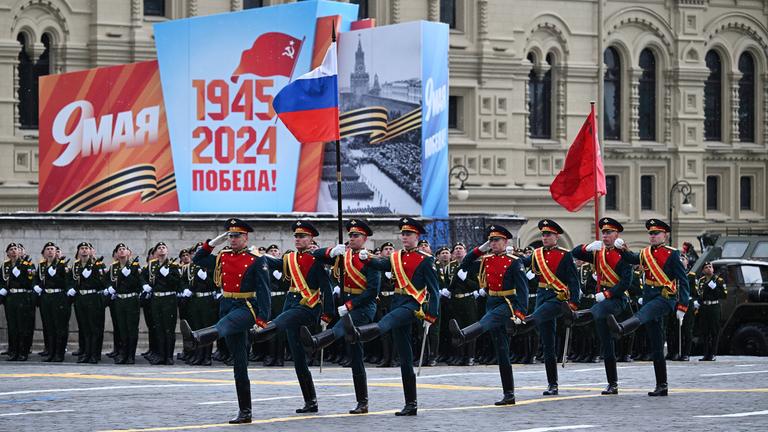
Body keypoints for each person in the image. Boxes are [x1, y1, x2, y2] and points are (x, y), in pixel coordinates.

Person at [342, 217, 440, 416]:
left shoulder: (426, 259)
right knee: (404, 357)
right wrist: (366, 258)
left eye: (409, 234)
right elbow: (381, 265)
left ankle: (358, 333)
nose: (405, 237)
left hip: (412, 305)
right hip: (397, 302)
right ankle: (411, 404)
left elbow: (435, 291)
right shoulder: (396, 257)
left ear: (417, 236)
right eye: (403, 234)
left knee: (385, 322)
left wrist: (432, 315)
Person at [180, 218, 271, 424]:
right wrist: (214, 242)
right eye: (230, 235)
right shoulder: (223, 255)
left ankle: (197, 338)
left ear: (245, 237)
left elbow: (265, 290)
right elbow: (199, 259)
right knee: (239, 364)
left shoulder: (256, 259)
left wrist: (263, 319)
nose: (232, 239)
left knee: (225, 325)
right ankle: (245, 411)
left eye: (236, 235)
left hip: (246, 306)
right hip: (227, 304)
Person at [249, 220, 334, 414]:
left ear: (311, 238)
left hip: (307, 307)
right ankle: (311, 402)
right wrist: (256, 255)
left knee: (282, 320)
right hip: (291, 303)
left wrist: (328, 314)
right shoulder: (290, 258)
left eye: (302, 236)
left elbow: (327, 288)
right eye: (296, 236)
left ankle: (256, 335)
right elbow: (273, 262)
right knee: (298, 359)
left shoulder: (317, 259)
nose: (298, 239)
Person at [300, 218, 381, 414]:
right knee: (355, 355)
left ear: (365, 238)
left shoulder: (369, 259)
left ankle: (316, 341)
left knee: (342, 330)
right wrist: (331, 251)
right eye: (350, 235)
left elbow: (372, 291)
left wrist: (351, 304)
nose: (352, 238)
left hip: (363, 307)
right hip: (346, 306)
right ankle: (362, 402)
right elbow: (315, 254)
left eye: (356, 235)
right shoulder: (342, 255)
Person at [607, 219, 691, 397]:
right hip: (649, 297)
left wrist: (683, 305)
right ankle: (662, 385)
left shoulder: (673, 254)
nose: (652, 236)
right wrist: (621, 248)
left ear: (665, 235)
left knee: (643, 314)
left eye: (656, 233)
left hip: (664, 298)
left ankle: (621, 328)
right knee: (657, 345)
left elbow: (683, 281)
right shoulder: (645, 253)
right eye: (651, 234)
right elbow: (631, 259)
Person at [449, 224, 528, 405]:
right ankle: (509, 394)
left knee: (486, 321)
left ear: (505, 241)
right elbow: (465, 263)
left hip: (507, 304)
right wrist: (480, 249)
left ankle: (464, 335)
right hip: (491, 301)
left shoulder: (514, 261)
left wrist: (520, 313)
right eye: (491, 240)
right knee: (502, 352)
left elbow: (522, 290)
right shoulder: (487, 259)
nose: (493, 243)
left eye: (496, 240)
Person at [511, 219, 580, 396]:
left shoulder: (565, 255)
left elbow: (574, 281)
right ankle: (553, 384)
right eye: (543, 234)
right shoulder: (537, 254)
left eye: (548, 234)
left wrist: (573, 304)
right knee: (547, 343)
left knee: (538, 315)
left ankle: (520, 324)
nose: (545, 237)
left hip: (557, 298)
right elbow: (522, 264)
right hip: (542, 296)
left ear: (556, 236)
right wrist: (512, 260)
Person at [568, 218, 633, 394]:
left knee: (601, 310)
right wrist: (587, 247)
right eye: (603, 232)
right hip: (600, 302)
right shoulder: (598, 252)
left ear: (616, 235)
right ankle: (612, 383)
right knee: (606, 343)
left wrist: (607, 294)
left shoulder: (623, 254)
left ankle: (579, 317)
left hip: (617, 299)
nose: (605, 236)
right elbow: (574, 253)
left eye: (609, 232)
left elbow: (626, 282)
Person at [142, 242, 182, 365]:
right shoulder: (151, 265)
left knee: (169, 329)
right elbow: (142, 277)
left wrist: (168, 275)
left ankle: (169, 356)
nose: (161, 249)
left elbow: (178, 283)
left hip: (169, 299)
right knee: (158, 328)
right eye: (159, 248)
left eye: (163, 247)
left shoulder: (173, 266)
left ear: (167, 251)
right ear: (155, 252)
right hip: (156, 299)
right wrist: (144, 285)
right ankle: (160, 355)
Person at [106, 243, 144, 364]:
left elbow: (139, 284)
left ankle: (130, 355)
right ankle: (123, 354)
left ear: (129, 253)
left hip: (131, 299)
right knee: (121, 328)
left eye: (124, 249)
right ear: (116, 254)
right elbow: (107, 281)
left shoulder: (135, 266)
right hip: (119, 300)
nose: (121, 251)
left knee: (131, 328)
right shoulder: (113, 267)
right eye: (119, 250)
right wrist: (109, 288)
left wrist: (130, 276)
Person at [34, 242, 72, 362]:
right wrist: (36, 286)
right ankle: (51, 352)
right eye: (47, 249)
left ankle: (59, 353)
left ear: (56, 252)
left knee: (59, 326)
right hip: (46, 297)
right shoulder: (41, 266)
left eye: (52, 249)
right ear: (44, 252)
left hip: (58, 296)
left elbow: (67, 282)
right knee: (49, 326)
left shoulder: (62, 265)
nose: (50, 251)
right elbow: (35, 279)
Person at [70, 242, 107, 363]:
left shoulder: (98, 264)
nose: (84, 250)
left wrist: (92, 274)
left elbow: (102, 283)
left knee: (94, 327)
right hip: (81, 298)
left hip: (93, 297)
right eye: (82, 248)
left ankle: (94, 354)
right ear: (78, 251)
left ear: (91, 251)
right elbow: (73, 280)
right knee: (84, 327)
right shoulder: (76, 265)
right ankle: (86, 353)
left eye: (87, 248)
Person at [1, 243, 36, 361]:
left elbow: (31, 282)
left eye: (15, 249)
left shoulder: (27, 265)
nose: (13, 251)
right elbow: (2, 280)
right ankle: (13, 351)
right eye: (11, 249)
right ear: (7, 253)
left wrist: (19, 274)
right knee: (12, 326)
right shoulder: (4, 265)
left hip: (22, 296)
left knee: (23, 326)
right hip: (10, 297)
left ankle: (23, 352)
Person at [697, 261, 727, 361]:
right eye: (706, 267)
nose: (708, 268)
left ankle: (713, 353)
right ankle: (706, 354)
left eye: (710, 267)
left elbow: (724, 295)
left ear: (713, 269)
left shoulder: (719, 280)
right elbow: (700, 294)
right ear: (703, 270)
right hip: (704, 307)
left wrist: (714, 288)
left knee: (714, 331)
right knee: (705, 331)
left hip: (714, 306)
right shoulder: (701, 281)